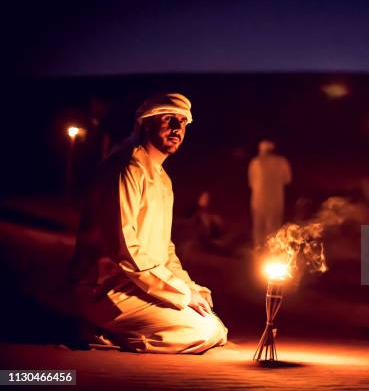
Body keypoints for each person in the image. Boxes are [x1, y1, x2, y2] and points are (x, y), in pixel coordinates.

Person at [70, 93, 228, 354]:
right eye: (169, 120)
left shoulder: (162, 179)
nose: (177, 129)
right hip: (107, 289)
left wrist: (188, 287)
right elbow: (126, 249)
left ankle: (118, 332)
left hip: (139, 285)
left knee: (214, 325)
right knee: (203, 332)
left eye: (182, 122)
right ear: (146, 123)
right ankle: (102, 333)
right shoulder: (127, 168)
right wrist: (181, 294)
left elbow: (164, 249)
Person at [248, 140, 292, 248]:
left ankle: (258, 252)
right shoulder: (282, 162)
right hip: (275, 201)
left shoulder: (255, 162)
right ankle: (271, 253)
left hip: (258, 201)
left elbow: (251, 183)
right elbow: (287, 180)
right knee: (273, 230)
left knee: (258, 229)